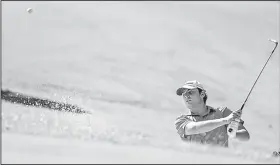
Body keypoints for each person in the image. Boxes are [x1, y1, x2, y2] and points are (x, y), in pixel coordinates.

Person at [175, 80, 250, 147]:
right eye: (183, 94)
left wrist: (234, 135)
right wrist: (225, 120)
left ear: (202, 94)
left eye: (190, 92)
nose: (186, 96)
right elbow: (194, 128)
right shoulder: (181, 120)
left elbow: (246, 137)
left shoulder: (223, 112)